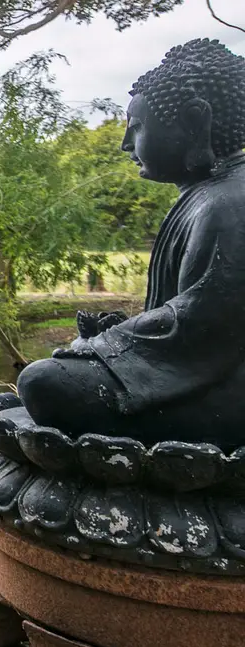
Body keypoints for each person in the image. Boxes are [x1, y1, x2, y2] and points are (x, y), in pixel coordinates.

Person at [18, 38, 245, 448]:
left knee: (41, 383)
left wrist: (112, 344)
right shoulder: (210, 194)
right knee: (55, 372)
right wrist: (118, 332)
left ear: (195, 121)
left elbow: (203, 326)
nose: (125, 143)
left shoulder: (228, 203)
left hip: (227, 388)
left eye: (136, 127)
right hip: (209, 370)